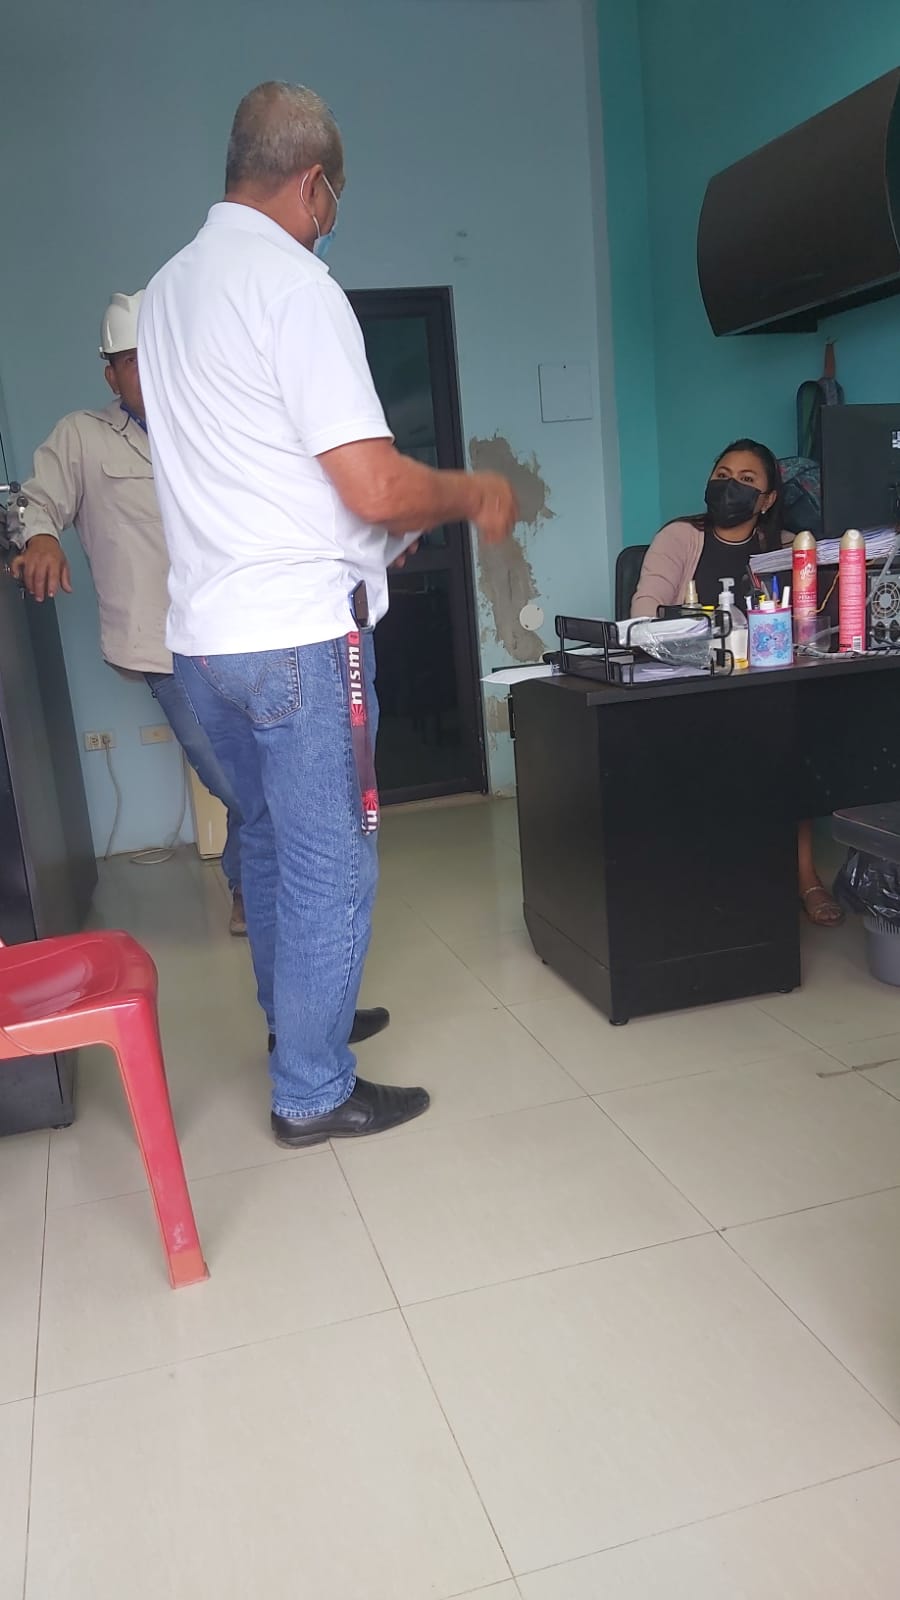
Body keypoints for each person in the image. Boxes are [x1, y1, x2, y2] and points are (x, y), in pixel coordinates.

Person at [138, 80, 519, 1147]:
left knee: (266, 836)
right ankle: (311, 1086)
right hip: (297, 639)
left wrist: (366, 537)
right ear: (312, 184)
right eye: (334, 200)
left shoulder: (166, 291)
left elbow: (254, 469)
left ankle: (297, 1020)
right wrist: (471, 491)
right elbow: (377, 484)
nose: (331, 221)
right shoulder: (294, 285)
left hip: (203, 640)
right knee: (331, 859)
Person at [11, 294, 247, 935]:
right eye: (133, 361)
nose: (150, 370)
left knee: (255, 768)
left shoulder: (214, 427)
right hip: (162, 644)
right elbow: (38, 500)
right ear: (111, 375)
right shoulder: (82, 435)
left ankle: (251, 887)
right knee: (232, 777)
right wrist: (42, 537)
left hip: (242, 632)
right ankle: (255, 886)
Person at [632, 437, 843, 927]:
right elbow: (643, 615)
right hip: (692, 688)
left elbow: (816, 627)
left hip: (768, 692)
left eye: (747, 480)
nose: (731, 486)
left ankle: (804, 875)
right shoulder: (680, 537)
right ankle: (712, 876)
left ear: (767, 499)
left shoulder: (790, 548)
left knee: (795, 737)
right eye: (723, 475)